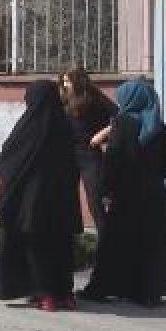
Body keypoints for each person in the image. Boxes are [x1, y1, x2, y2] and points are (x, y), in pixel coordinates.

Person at [79, 80, 166, 306]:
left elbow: (113, 161)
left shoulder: (123, 124)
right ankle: (148, 291)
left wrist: (105, 188)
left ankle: (106, 287)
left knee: (117, 242)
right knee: (151, 243)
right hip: (153, 195)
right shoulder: (158, 126)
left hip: (126, 195)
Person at [0, 80, 82, 312]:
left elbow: (9, 160)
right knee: (62, 246)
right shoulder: (65, 124)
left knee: (37, 246)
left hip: (34, 201)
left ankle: (45, 295)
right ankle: (65, 294)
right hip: (63, 200)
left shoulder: (29, 127)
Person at [59, 66, 117, 233]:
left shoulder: (93, 97)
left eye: (68, 81)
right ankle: (69, 240)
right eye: (63, 81)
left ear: (78, 81)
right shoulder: (62, 99)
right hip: (68, 153)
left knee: (95, 198)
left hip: (89, 154)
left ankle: (107, 239)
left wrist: (101, 135)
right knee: (66, 197)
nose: (65, 85)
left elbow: (119, 118)